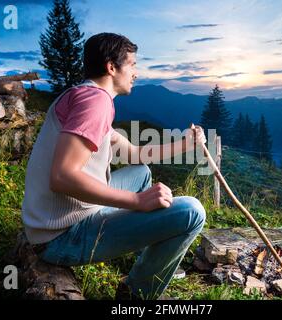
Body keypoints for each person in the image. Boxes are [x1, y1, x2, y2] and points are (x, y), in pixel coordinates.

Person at [21, 32, 207, 300]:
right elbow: (62, 177)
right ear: (111, 67)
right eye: (132, 65)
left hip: (50, 222)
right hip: (60, 237)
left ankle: (150, 255)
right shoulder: (95, 103)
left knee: (140, 173)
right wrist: (136, 201)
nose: (136, 73)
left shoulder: (84, 95)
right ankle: (136, 295)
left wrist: (185, 144)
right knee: (192, 211)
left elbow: (134, 154)